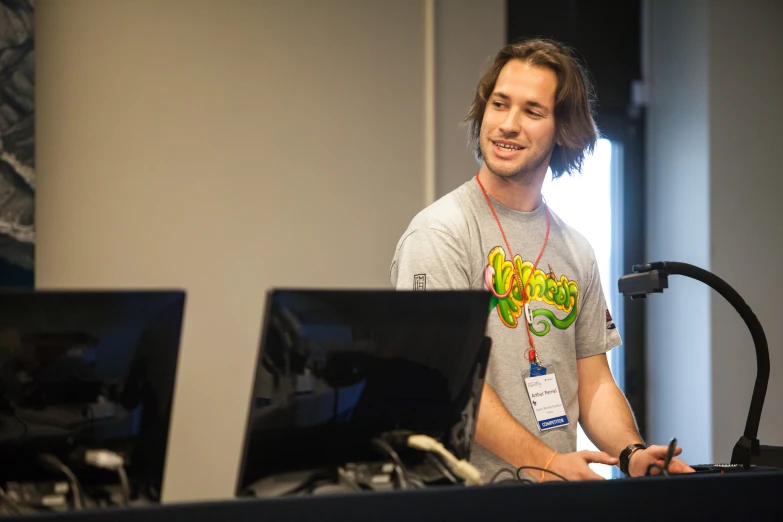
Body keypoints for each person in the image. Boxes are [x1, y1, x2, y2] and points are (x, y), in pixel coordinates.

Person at [389, 38, 694, 482]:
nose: (508, 124)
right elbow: (448, 383)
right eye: (499, 104)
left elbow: (595, 382)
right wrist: (549, 462)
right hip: (460, 501)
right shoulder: (440, 233)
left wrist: (630, 452)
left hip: (550, 498)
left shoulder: (575, 248)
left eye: (532, 111)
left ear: (563, 130)